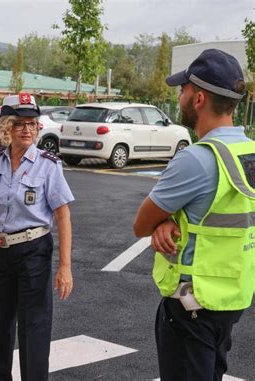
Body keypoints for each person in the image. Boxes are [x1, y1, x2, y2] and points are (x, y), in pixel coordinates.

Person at [133, 49, 252, 381]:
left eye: (182, 89)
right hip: (231, 300)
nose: (179, 95)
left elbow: (140, 225)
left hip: (191, 307)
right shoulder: (249, 151)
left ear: (198, 98)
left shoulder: (196, 160)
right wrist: (175, 218)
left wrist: (164, 220)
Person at [0, 93, 74, 381]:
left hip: (33, 252)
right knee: (0, 329)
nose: (26, 130)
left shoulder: (48, 165)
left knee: (34, 329)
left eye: (32, 124)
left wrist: (65, 266)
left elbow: (63, 215)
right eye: (19, 124)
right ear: (6, 127)